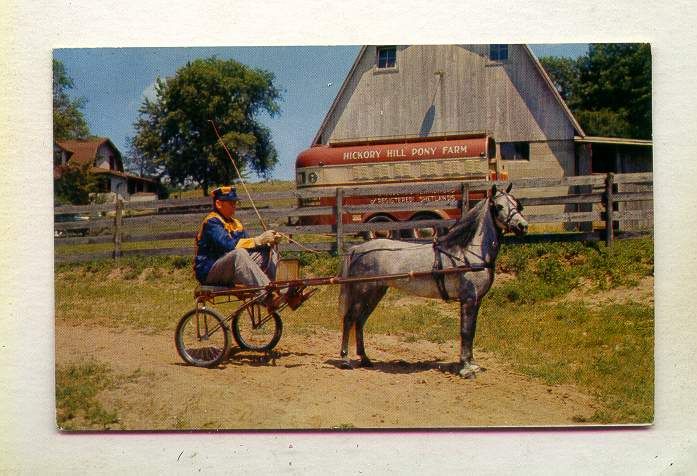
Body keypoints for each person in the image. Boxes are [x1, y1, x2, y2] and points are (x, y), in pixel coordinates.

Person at [194, 186, 283, 306]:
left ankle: (283, 290)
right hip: (210, 272)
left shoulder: (236, 223)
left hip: (231, 268)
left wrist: (267, 242)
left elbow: (249, 245)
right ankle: (268, 295)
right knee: (239, 254)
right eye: (231, 203)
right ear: (219, 203)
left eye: (235, 202)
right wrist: (259, 240)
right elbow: (229, 246)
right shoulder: (212, 222)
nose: (234, 206)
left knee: (268, 251)